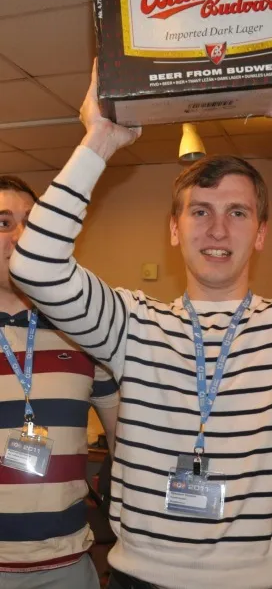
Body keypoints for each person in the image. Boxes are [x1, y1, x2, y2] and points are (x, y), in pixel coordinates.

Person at [9, 63, 272, 589]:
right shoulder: (131, 324)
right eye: (200, 212)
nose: (217, 229)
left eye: (238, 213)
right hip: (140, 579)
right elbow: (34, 266)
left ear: (261, 233)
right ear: (174, 229)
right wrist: (99, 139)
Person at [0, 175, 119, 588]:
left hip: (68, 565)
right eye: (3, 223)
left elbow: (124, 444)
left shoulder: (84, 332)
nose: (19, 236)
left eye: (31, 223)